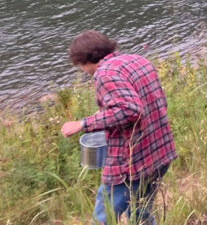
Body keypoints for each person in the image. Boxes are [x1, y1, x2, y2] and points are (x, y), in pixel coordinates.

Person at [60, 30, 177, 224]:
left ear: (85, 60)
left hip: (131, 164)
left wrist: (82, 124)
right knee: (141, 214)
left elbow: (131, 110)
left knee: (103, 218)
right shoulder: (137, 61)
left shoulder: (104, 73)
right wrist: (105, 113)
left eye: (80, 65)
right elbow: (150, 101)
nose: (82, 70)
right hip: (160, 153)